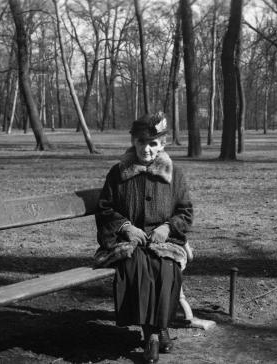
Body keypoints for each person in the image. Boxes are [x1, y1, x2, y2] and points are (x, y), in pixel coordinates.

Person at [94, 111, 193, 363]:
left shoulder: (175, 175)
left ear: (162, 144)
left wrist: (168, 228)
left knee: (166, 267)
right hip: (129, 240)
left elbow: (185, 211)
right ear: (133, 142)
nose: (147, 149)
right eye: (141, 142)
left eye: (153, 143)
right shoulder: (118, 173)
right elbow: (105, 208)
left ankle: (157, 331)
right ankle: (154, 333)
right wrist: (126, 227)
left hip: (164, 239)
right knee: (137, 266)